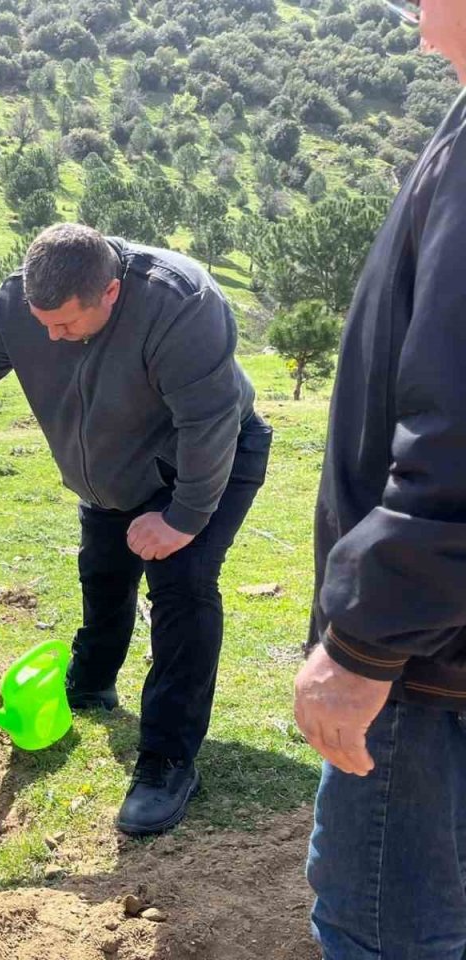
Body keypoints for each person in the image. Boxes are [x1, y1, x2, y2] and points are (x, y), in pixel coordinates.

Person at [0, 223, 272, 835]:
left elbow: (211, 420)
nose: (51, 337)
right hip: (110, 474)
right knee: (102, 571)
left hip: (207, 461)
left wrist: (183, 519)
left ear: (111, 292)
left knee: (183, 587)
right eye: (42, 323)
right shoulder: (24, 301)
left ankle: (168, 760)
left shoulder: (181, 305)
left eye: (65, 325)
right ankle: (91, 684)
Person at [294, 2, 466, 955]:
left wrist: (364, 648)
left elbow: (459, 437)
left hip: (428, 669)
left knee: (388, 932)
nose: (409, 8)